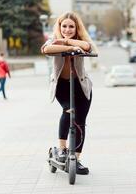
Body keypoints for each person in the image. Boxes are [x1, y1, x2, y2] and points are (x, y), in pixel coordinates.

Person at [41, 12, 97, 175]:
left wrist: (66, 41)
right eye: (64, 26)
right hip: (62, 86)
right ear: (59, 26)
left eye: (71, 26)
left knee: (80, 121)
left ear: (76, 27)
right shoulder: (53, 39)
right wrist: (70, 47)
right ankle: (62, 148)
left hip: (81, 86)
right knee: (68, 110)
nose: (67, 29)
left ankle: (76, 159)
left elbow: (87, 47)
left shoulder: (82, 40)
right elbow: (46, 49)